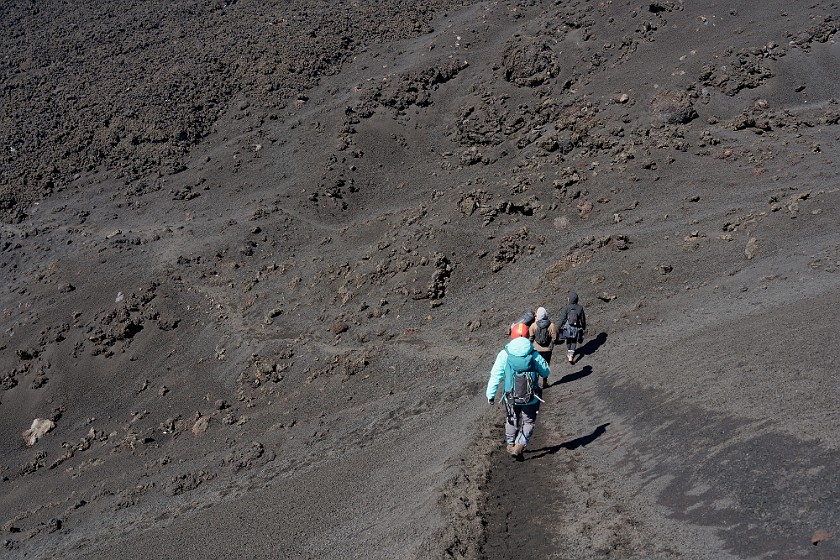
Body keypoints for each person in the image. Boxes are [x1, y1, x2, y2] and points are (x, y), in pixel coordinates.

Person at [486, 323, 550, 461]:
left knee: (511, 419)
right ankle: (520, 445)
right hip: (531, 397)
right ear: (527, 336)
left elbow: (496, 375)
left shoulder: (505, 354)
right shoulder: (533, 353)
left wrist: (490, 395)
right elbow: (546, 371)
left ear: (512, 336)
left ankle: (510, 444)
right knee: (528, 422)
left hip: (510, 396)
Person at [528, 307, 558, 389]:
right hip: (547, 350)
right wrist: (551, 344)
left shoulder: (533, 325)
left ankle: (535, 383)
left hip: (536, 349)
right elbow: (555, 337)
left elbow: (531, 338)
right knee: (546, 365)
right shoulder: (551, 325)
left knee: (536, 366)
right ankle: (545, 381)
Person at [556, 291, 586, 363]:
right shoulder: (580, 308)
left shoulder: (566, 307)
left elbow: (562, 319)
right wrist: (583, 326)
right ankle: (571, 355)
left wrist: (558, 327)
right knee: (574, 341)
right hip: (576, 328)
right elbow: (582, 319)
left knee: (568, 340)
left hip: (567, 328)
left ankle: (569, 353)